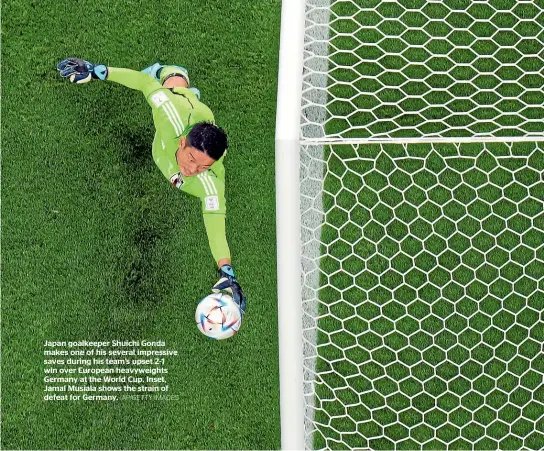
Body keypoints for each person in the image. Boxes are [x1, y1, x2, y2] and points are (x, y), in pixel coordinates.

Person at [57, 58, 246, 311]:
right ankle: (173, 74)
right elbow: (146, 84)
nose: (192, 170)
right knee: (175, 90)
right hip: (177, 119)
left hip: (181, 139)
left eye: (203, 167)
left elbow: (215, 224)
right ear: (182, 144)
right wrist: (98, 72)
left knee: (196, 110)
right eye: (191, 159)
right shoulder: (171, 116)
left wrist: (226, 270)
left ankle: (191, 97)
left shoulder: (210, 183)